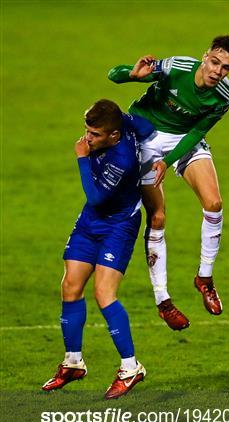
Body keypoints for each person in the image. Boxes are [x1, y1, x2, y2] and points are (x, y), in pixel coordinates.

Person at [108, 35, 229, 331]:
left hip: (183, 140)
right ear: (205, 55)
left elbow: (197, 132)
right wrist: (130, 76)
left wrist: (168, 162)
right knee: (157, 216)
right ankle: (163, 300)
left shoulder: (224, 95)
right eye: (215, 62)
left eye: (226, 68)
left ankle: (204, 278)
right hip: (144, 136)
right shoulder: (176, 67)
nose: (217, 71)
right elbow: (112, 75)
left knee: (214, 203)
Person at [42, 99, 155, 400]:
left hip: (118, 225)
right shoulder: (124, 123)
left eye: (94, 135)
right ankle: (73, 362)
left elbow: (95, 197)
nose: (87, 139)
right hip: (90, 223)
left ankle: (131, 368)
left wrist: (81, 157)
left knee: (104, 294)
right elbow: (149, 126)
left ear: (113, 136)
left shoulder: (122, 160)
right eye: (86, 132)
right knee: (70, 285)